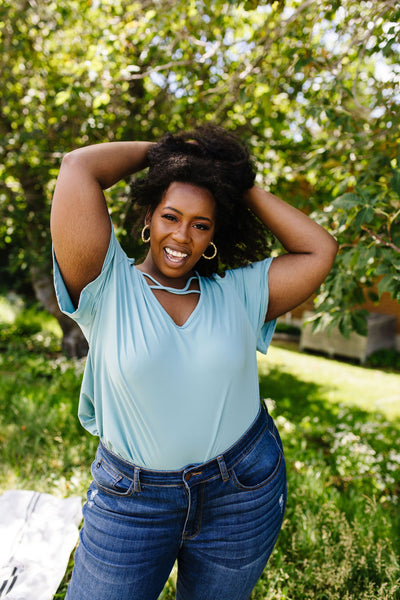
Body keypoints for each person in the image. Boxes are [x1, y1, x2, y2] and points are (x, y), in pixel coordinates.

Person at [50, 125, 338, 600]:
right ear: (148, 216)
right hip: (132, 502)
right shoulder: (107, 286)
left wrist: (233, 182)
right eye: (170, 216)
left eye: (200, 224)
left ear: (213, 235)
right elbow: (78, 166)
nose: (181, 236)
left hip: (242, 492)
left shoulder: (239, 294)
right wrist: (169, 158)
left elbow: (319, 250)